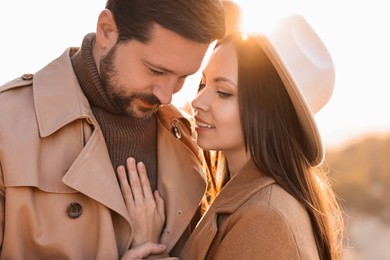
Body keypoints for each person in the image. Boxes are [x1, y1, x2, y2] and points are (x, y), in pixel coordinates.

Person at [0, 0, 224, 258]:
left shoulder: (185, 139)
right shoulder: (7, 125)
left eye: (183, 77)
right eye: (156, 70)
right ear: (107, 30)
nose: (166, 96)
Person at [118, 15, 345, 259]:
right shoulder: (249, 200)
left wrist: (149, 247)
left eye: (223, 92)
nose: (197, 101)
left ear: (269, 112)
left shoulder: (266, 218)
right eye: (203, 84)